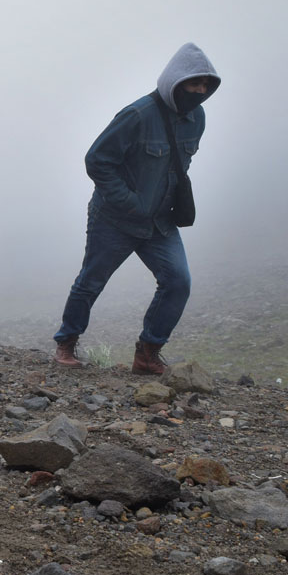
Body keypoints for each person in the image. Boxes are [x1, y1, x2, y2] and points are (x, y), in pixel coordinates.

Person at [53, 42, 220, 374]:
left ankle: (147, 353)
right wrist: (129, 202)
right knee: (91, 281)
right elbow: (96, 160)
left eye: (205, 85)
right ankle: (66, 344)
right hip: (114, 219)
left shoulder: (196, 118)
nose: (200, 91)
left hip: (159, 223)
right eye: (194, 83)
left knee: (178, 281)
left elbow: (180, 164)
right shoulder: (138, 115)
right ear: (176, 80)